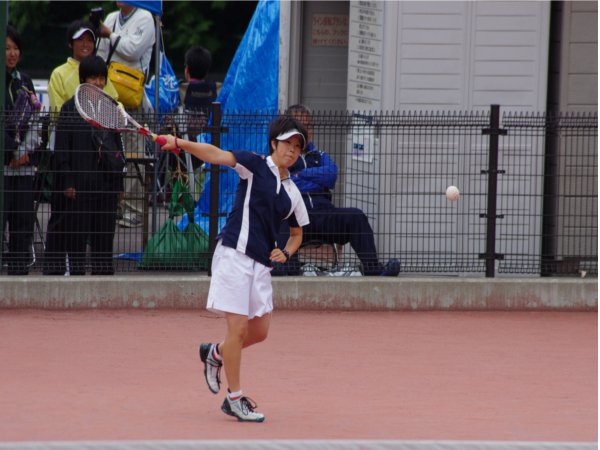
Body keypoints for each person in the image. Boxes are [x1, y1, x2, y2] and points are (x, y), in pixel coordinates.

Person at [158, 116, 310, 422]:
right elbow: (216, 154)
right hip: (234, 255)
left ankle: (215, 353)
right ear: (274, 144)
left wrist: (287, 252)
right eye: (287, 144)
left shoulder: (293, 193)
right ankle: (235, 398)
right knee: (238, 329)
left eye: (297, 146)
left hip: (261, 265)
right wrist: (179, 143)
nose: (292, 151)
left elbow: (297, 234)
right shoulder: (254, 165)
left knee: (260, 332)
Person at [274, 104, 400, 276]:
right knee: (283, 221)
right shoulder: (282, 156)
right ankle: (288, 270)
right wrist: (315, 181)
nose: (305, 130)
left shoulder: (319, 155)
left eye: (308, 126)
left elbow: (331, 175)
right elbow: (284, 182)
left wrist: (299, 175)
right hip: (297, 217)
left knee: (356, 216)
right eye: (299, 126)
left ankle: (373, 269)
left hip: (324, 214)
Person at [43, 20, 119, 275]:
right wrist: (67, 181)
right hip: (78, 184)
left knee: (103, 235)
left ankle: (103, 276)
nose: (97, 83)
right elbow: (62, 149)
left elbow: (117, 148)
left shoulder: (110, 108)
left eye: (101, 78)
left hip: (105, 184)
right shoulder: (69, 109)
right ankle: (75, 275)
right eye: (92, 78)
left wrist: (118, 183)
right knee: (76, 234)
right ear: (82, 80)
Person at [96, 1, 156, 228]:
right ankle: (115, 204)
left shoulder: (145, 17)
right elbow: (101, 53)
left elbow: (134, 50)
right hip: (110, 91)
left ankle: (134, 209)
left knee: (133, 152)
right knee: (110, 150)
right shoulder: (111, 17)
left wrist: (110, 35)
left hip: (132, 94)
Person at [2, 25, 41, 275]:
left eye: (16, 48)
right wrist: (9, 153)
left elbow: (37, 121)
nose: (12, 53)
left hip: (23, 169)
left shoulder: (24, 81)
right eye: (7, 48)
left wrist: (23, 154)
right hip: (4, 168)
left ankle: (19, 273)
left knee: (22, 224)